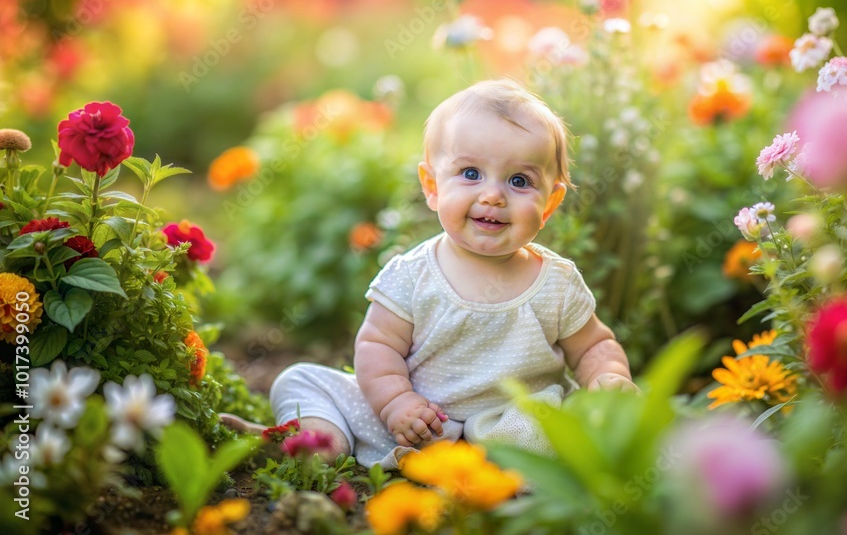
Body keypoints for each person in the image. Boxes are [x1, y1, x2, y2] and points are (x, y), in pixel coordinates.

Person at [224, 79, 636, 467]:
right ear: (432, 186)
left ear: (549, 204)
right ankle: (314, 442)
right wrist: (397, 403)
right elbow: (377, 347)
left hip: (511, 428)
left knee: (559, 419)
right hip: (419, 427)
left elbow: (593, 346)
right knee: (301, 379)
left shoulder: (556, 283)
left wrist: (608, 375)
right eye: (471, 173)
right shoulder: (412, 274)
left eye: (518, 180)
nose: (492, 195)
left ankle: (511, 467)